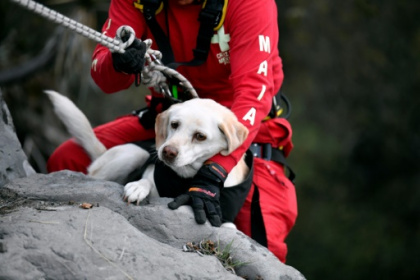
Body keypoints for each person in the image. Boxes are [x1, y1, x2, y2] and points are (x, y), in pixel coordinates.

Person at [47, 0, 297, 263]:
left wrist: (215, 171)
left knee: (263, 251)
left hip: (243, 130)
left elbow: (252, 97)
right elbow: (102, 77)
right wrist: (119, 61)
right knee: (68, 159)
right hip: (170, 118)